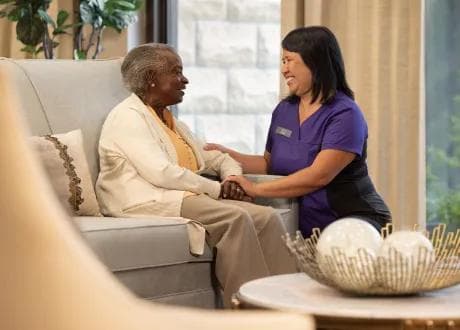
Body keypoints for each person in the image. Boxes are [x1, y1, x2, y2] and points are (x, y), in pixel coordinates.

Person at [95, 43, 296, 308]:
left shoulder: (169, 120)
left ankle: (291, 309)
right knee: (235, 217)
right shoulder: (127, 118)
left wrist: (230, 179)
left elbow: (217, 156)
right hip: (146, 199)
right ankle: (251, 316)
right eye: (176, 72)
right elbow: (162, 173)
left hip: (183, 194)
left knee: (266, 217)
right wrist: (218, 191)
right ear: (151, 80)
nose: (185, 79)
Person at [205, 26, 391, 237]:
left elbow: (318, 176)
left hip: (352, 222)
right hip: (304, 228)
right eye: (282, 62)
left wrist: (255, 189)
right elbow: (269, 164)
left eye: (289, 60)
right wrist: (224, 154)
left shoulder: (345, 114)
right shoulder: (284, 110)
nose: (284, 70)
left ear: (315, 61)